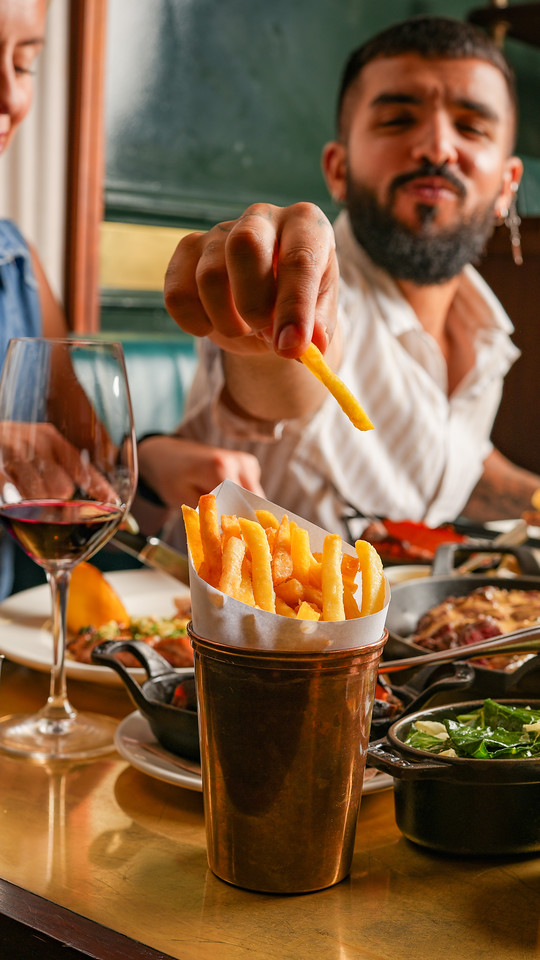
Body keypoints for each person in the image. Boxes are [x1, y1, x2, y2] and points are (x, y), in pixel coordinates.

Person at [137, 15, 540, 546]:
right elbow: (283, 390)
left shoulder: (485, 333)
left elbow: (455, 456)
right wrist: (266, 333)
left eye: (472, 127)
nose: (438, 147)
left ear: (509, 185)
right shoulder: (311, 292)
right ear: (338, 169)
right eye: (398, 120)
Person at [0, 0, 67, 597]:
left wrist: (160, 460)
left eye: (24, 64)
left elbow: (89, 465)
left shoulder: (16, 264)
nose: (10, 97)